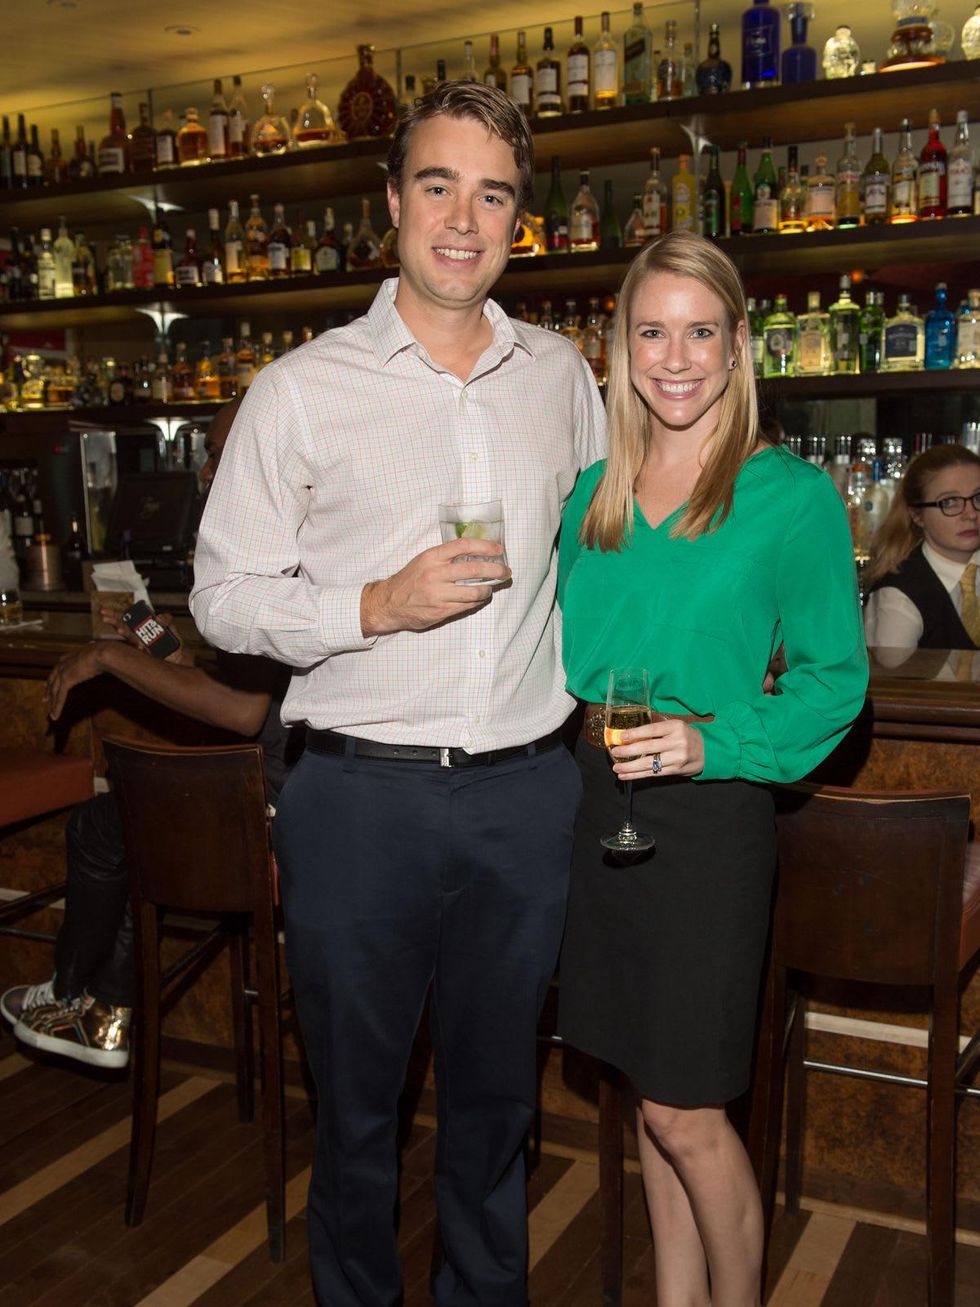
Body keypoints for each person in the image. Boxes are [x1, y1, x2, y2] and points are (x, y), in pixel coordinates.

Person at [189, 81, 605, 1306]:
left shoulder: (562, 377)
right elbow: (221, 597)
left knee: (495, 1117)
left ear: (518, 219)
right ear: (390, 204)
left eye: (492, 192)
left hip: (525, 799)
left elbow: (606, 559)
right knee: (358, 1122)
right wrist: (370, 606)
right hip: (357, 803)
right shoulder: (300, 390)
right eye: (438, 185)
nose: (463, 217)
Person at [556, 231, 868, 1307]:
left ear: (739, 346)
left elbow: (834, 679)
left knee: (691, 1108)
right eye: (652, 330)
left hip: (709, 821)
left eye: (699, 331)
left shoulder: (786, 496)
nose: (674, 355)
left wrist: (715, 738)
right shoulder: (591, 495)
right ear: (622, 346)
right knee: (650, 1099)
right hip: (600, 812)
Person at [1, 401, 302, 1068]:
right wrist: (148, 634)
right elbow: (253, 691)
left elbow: (242, 711)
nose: (203, 470)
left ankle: (87, 1002)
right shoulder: (288, 541)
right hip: (284, 794)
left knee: (107, 824)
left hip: (286, 817)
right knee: (129, 820)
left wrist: (109, 658)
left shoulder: (275, 557)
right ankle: (99, 1009)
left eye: (219, 452)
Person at [864, 443, 980, 661]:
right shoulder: (898, 597)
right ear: (917, 515)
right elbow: (894, 688)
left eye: (978, 498)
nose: (971, 514)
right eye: (950, 502)